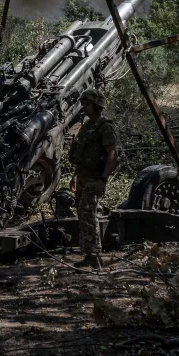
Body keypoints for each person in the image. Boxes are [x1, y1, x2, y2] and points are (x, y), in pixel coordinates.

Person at [67, 88, 118, 269]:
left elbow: (112, 156)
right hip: (82, 176)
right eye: (83, 104)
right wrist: (74, 176)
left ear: (97, 106)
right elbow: (81, 154)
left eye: (87, 104)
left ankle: (95, 256)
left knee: (89, 215)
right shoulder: (88, 126)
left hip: (94, 179)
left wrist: (102, 180)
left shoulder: (105, 127)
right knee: (83, 214)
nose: (84, 107)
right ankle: (88, 254)